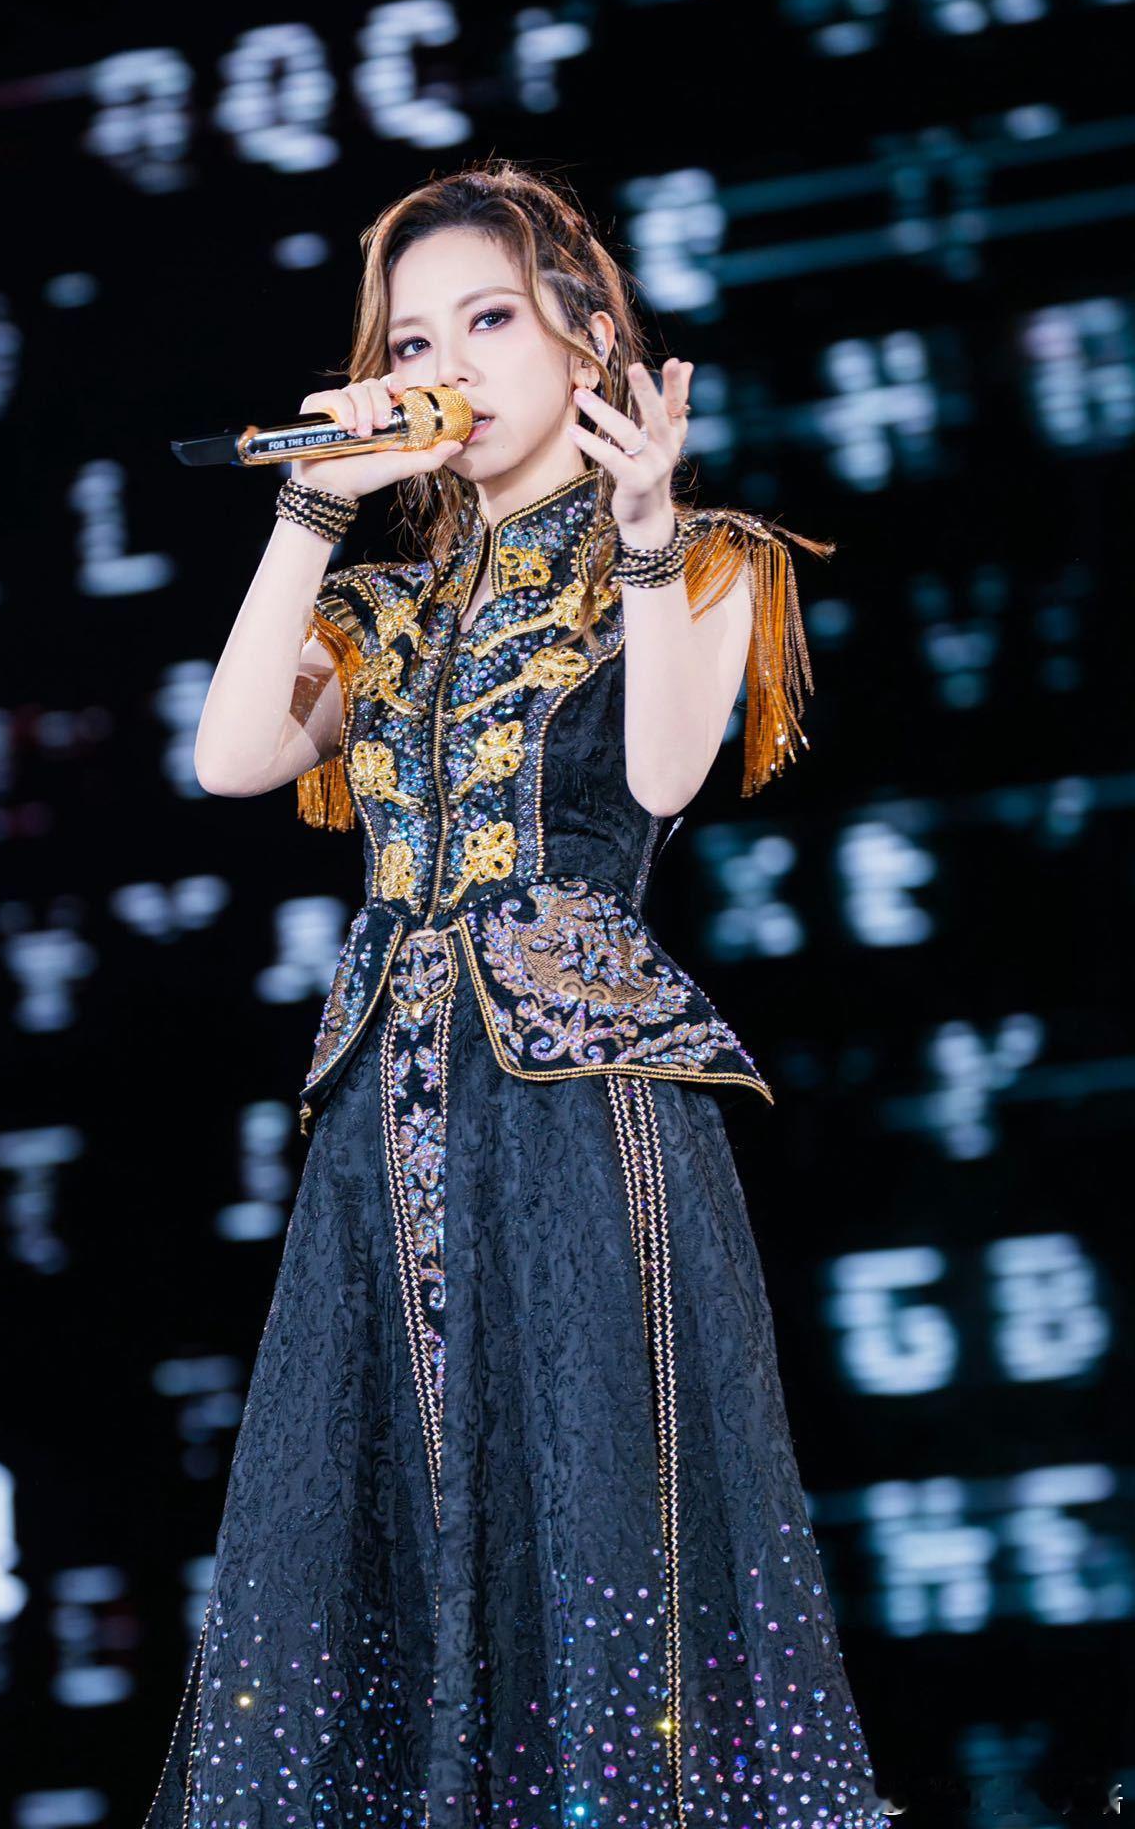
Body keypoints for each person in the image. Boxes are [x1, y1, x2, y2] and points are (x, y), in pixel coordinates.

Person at [141, 161, 891, 1829]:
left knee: (593, 1508)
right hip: (386, 1113)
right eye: (416, 339)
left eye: (490, 320)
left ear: (589, 341)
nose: (451, 366)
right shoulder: (386, 609)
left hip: (576, 1105)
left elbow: (666, 771)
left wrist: (645, 536)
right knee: (396, 1517)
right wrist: (310, 508)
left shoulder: (697, 560)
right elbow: (231, 756)